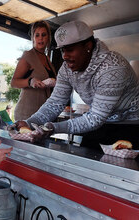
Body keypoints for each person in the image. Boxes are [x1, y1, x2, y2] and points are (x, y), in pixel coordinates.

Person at [13, 20, 139, 150]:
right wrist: (29, 122)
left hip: (129, 125)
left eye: (70, 50)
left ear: (88, 46)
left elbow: (95, 118)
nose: (65, 56)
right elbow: (54, 103)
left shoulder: (113, 67)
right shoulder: (66, 69)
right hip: (100, 123)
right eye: (62, 50)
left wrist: (53, 128)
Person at [11, 21, 56, 121]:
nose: (40, 38)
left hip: (43, 114)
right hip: (26, 113)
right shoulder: (28, 55)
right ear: (33, 38)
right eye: (37, 35)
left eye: (44, 35)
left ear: (48, 37)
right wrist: (30, 81)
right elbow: (13, 82)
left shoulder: (47, 59)